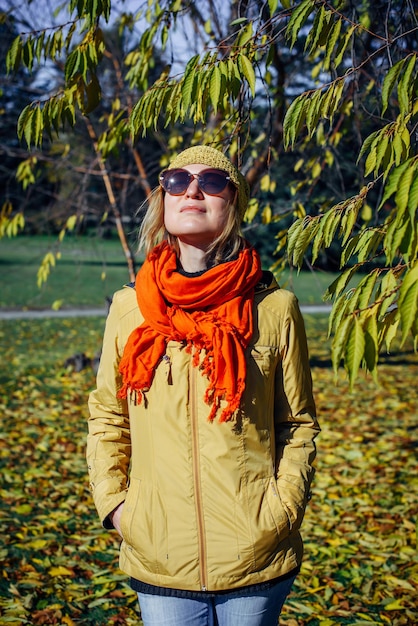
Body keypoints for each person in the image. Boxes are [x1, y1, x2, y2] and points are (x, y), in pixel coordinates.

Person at [87, 145, 319, 626]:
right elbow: (108, 416)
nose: (192, 190)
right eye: (177, 180)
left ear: (233, 202)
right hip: (160, 555)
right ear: (164, 199)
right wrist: (117, 508)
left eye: (212, 181)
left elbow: (296, 424)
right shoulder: (130, 308)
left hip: (256, 554)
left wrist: (280, 512)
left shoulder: (273, 309)